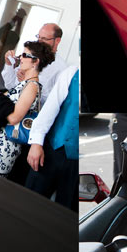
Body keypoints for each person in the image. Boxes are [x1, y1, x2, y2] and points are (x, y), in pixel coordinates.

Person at [0, 41, 55, 176]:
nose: (20, 57)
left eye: (25, 55)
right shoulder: (25, 84)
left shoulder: (32, 86)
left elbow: (14, 117)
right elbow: (4, 103)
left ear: (35, 61)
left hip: (3, 150)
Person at [25, 65, 80, 210]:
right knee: (31, 202)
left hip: (78, 162)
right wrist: (36, 143)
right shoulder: (72, 72)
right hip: (53, 149)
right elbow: (51, 107)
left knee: (67, 212)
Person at [1, 23, 67, 104]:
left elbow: (53, 102)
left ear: (57, 40)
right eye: (38, 37)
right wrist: (9, 64)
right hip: (10, 105)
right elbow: (10, 85)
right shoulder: (29, 56)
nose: (39, 41)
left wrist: (29, 84)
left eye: (44, 38)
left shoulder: (62, 69)